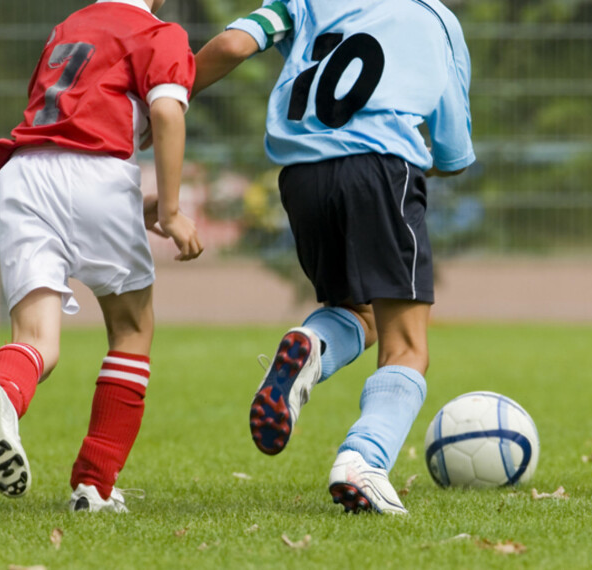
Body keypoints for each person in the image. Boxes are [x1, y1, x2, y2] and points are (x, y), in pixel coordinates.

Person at [193, 0, 474, 514]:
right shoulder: (435, 17)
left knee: (356, 312)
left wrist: (169, 96)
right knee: (407, 345)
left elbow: (234, 44)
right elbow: (453, 153)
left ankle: (311, 342)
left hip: (301, 175)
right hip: (380, 166)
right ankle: (362, 460)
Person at [0, 0, 202, 513]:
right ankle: (94, 486)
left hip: (22, 175)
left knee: (35, 340)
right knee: (132, 330)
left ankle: (4, 389)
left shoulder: (68, 27)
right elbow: (164, 112)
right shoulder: (162, 33)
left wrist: (136, 208)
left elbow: (66, 135)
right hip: (98, 173)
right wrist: (174, 208)